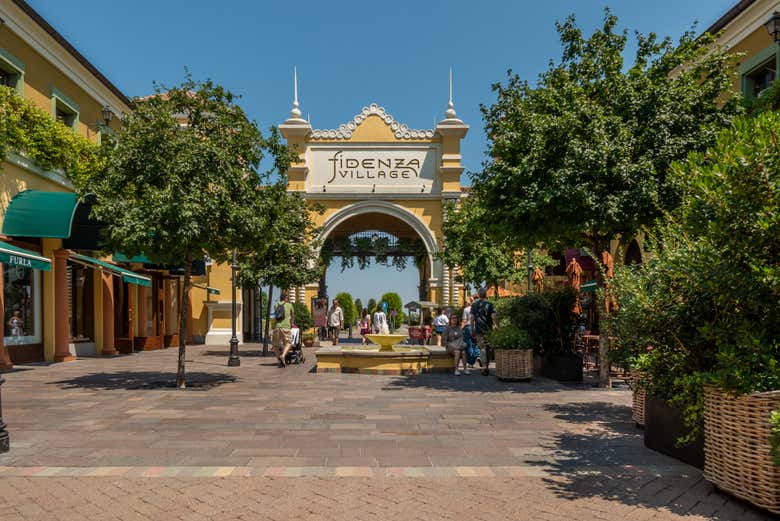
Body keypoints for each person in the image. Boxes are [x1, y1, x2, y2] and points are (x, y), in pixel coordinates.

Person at [470, 287, 497, 376]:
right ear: (486, 294)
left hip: (479, 329)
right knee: (488, 348)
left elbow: (472, 319)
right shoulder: (490, 304)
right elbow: (493, 316)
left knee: (482, 348)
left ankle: (484, 366)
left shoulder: (474, 305)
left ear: (478, 295)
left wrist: (472, 329)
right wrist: (496, 325)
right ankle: (486, 366)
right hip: (488, 329)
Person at [272, 292, 295, 368]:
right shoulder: (289, 305)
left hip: (277, 327)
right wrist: (291, 323)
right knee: (288, 343)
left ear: (280, 298)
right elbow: (292, 316)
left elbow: (276, 317)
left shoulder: (276, 305)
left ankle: (279, 360)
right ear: (286, 298)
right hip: (286, 327)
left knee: (275, 346)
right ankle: (283, 355)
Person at [461, 296, 481, 368]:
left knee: (469, 345)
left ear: (468, 302)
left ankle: (471, 362)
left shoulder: (466, 309)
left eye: (466, 302)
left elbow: (464, 320)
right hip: (477, 327)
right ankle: (478, 355)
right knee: (477, 343)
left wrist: (461, 329)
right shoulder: (478, 308)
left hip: (468, 327)